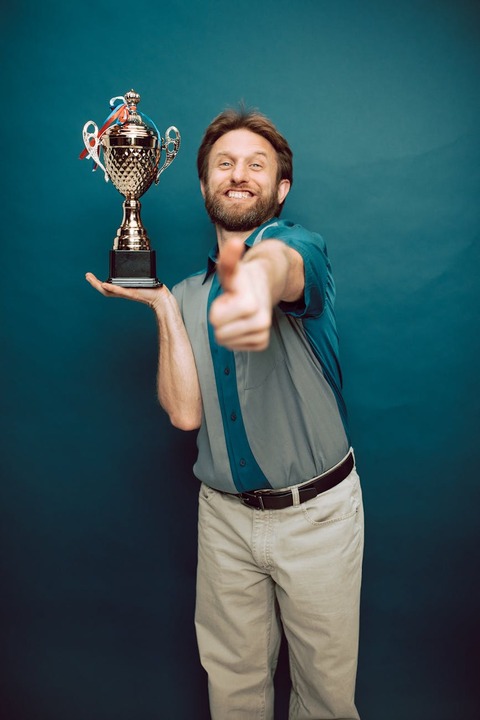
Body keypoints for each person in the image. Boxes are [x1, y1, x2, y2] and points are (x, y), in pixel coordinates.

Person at [86, 107, 364, 720]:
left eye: (256, 165)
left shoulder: (301, 249)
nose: (239, 175)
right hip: (224, 521)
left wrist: (254, 284)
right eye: (225, 164)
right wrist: (164, 308)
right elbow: (185, 414)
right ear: (204, 184)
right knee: (233, 691)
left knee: (324, 697)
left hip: (316, 517)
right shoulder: (189, 294)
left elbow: (280, 268)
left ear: (281, 189)